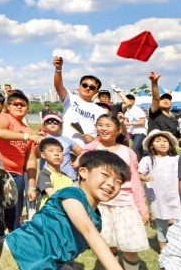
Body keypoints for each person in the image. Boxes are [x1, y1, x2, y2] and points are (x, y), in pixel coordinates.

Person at [0, 150, 129, 270]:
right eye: (105, 174)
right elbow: (89, 232)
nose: (111, 184)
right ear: (83, 172)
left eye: (118, 181)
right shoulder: (71, 194)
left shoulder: (96, 220)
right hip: (16, 256)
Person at [81, 114, 149, 270]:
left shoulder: (127, 152)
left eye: (108, 125)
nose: (103, 128)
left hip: (125, 205)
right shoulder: (93, 149)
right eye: (100, 125)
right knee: (107, 246)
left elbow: (135, 181)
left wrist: (142, 207)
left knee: (130, 248)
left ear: (119, 130)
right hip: (101, 207)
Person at [0, 91, 39, 231]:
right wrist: (25, 137)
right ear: (8, 106)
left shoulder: (28, 130)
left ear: (27, 108)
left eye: (23, 105)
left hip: (17, 175)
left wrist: (31, 186)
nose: (19, 106)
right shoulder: (4, 117)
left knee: (14, 211)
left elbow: (30, 161)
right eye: (15, 104)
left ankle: (13, 237)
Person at [138, 130, 181, 251]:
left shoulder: (176, 159)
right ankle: (163, 252)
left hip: (174, 196)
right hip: (158, 198)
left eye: (165, 141)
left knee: (178, 222)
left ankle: (176, 248)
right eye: (158, 141)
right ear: (151, 145)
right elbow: (140, 173)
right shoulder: (147, 160)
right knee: (161, 224)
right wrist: (145, 177)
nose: (162, 143)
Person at [53, 56, 106, 147]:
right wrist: (58, 69)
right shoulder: (70, 98)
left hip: (87, 150)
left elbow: (105, 132)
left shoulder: (101, 111)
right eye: (85, 85)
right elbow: (58, 86)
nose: (87, 88)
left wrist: (94, 139)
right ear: (79, 85)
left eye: (92, 87)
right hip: (66, 147)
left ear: (97, 91)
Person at [38, 113, 82, 181]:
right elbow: (36, 155)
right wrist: (39, 141)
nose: (52, 124)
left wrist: (76, 163)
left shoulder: (67, 140)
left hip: (69, 177)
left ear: (60, 126)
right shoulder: (41, 138)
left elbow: (81, 152)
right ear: (44, 125)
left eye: (56, 122)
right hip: (49, 178)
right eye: (49, 122)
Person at [36, 138, 73, 208]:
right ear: (43, 155)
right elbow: (52, 196)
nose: (56, 154)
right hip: (47, 215)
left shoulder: (68, 178)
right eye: (51, 151)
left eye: (59, 151)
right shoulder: (44, 174)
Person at [124, 94, 148, 160]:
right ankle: (142, 164)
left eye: (130, 100)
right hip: (133, 132)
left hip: (140, 132)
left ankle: (132, 164)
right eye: (125, 101)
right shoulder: (127, 111)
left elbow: (142, 122)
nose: (128, 102)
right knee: (139, 151)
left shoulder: (138, 109)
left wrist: (129, 123)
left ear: (133, 101)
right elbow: (125, 122)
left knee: (133, 149)